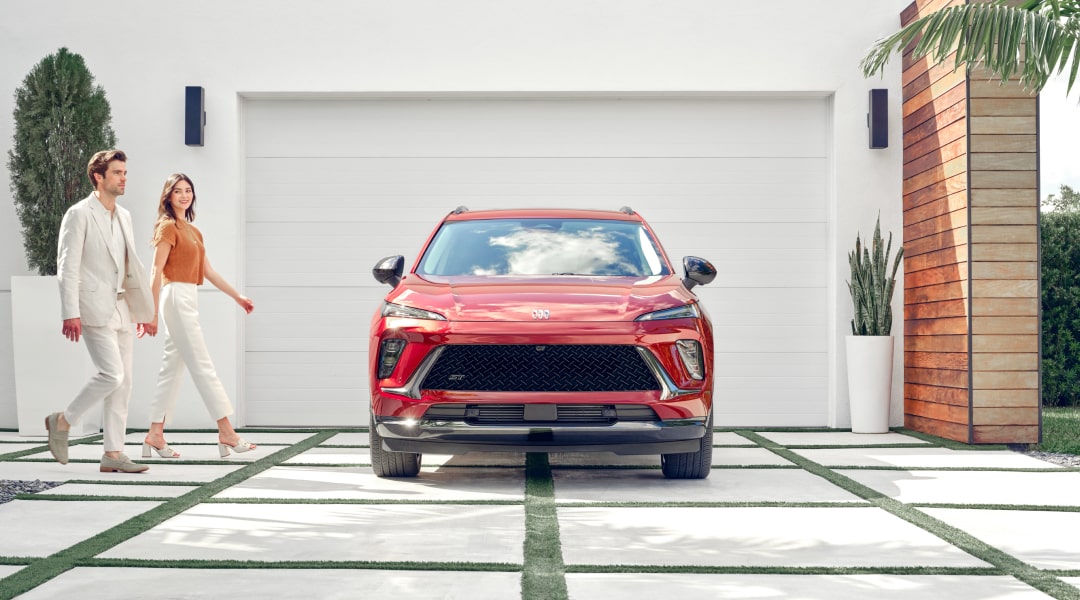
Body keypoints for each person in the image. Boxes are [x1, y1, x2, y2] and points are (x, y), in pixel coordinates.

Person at [46, 149, 156, 473]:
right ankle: (63, 421)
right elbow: (67, 267)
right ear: (99, 176)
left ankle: (113, 453)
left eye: (125, 173)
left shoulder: (125, 216)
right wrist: (70, 312)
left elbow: (128, 266)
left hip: (122, 308)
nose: (124, 179)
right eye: (117, 173)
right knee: (112, 374)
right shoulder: (79, 214)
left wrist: (140, 310)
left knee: (124, 384)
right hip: (92, 307)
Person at [141, 173, 257, 459]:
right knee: (203, 364)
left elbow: (209, 271)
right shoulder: (167, 227)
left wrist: (237, 297)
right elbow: (155, 271)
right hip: (174, 296)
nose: (184, 195)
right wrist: (150, 312)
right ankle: (226, 431)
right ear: (168, 196)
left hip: (188, 297)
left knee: (173, 368)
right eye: (177, 191)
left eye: (188, 190)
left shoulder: (193, 231)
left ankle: (155, 434)